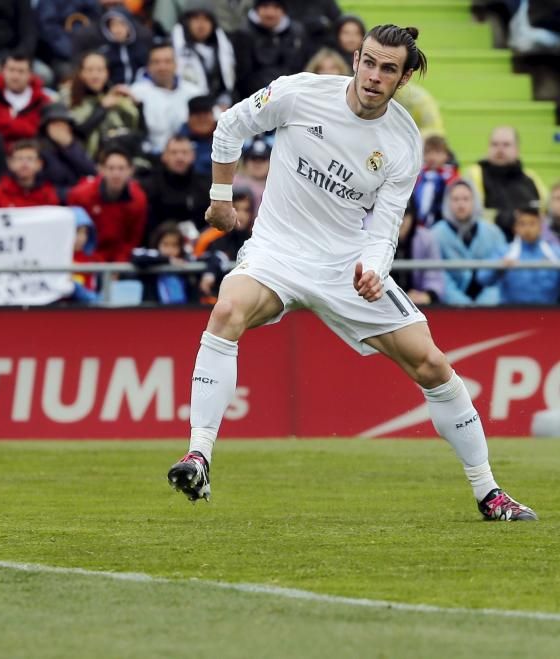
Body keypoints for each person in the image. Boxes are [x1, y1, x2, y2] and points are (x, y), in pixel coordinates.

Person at [166, 24, 537, 521]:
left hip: (346, 263)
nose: (374, 75)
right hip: (278, 251)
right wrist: (219, 199)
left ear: (403, 79)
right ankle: (198, 455)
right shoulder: (299, 93)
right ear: (355, 58)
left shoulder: (404, 142)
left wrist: (374, 268)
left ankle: (489, 493)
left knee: (432, 364)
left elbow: (384, 230)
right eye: (368, 61)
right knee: (227, 308)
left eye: (388, 68)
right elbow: (230, 125)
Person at [430, 179, 507, 306]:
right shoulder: (435, 234)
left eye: (466, 199)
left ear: (475, 201)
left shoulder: (493, 233)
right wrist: (461, 304)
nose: (461, 204)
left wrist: (484, 304)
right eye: (455, 199)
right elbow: (439, 276)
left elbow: (499, 275)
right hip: (449, 309)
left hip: (490, 308)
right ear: (447, 202)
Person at [66, 145, 146, 263]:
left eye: (121, 168)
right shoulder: (80, 195)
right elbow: (75, 234)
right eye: (111, 168)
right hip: (86, 258)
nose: (116, 174)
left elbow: (132, 239)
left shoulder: (138, 199)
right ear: (101, 170)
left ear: (131, 170)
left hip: (119, 261)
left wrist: (119, 263)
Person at [62, 51, 141, 161]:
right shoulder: (68, 96)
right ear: (81, 73)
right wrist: (102, 108)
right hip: (83, 159)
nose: (95, 75)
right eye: (89, 70)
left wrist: (136, 104)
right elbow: (79, 132)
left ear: (107, 73)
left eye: (100, 70)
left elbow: (135, 128)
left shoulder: (113, 96)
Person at [477, 202, 560, 305]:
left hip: (549, 314)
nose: (527, 229)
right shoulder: (504, 252)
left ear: (540, 226)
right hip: (512, 314)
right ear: (515, 228)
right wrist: (499, 268)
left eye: (532, 223)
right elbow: (482, 278)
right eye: (522, 224)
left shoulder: (556, 253)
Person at [130, 42, 203, 156]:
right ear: (148, 66)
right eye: (156, 62)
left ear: (176, 64)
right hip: (149, 158)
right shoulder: (135, 93)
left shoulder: (195, 93)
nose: (162, 67)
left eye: (167, 61)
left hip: (191, 158)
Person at [463, 126, 548, 222]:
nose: (500, 149)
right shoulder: (475, 174)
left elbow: (545, 211)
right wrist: (510, 218)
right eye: (494, 144)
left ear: (517, 150)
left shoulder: (531, 178)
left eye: (506, 145)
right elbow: (469, 214)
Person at [170, 0, 238, 107]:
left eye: (206, 19)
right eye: (196, 18)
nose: (201, 25)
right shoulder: (172, 47)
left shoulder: (224, 47)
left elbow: (229, 83)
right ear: (186, 21)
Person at [142, 134, 209, 238]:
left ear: (193, 156)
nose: (179, 157)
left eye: (184, 152)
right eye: (174, 152)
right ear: (164, 156)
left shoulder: (205, 186)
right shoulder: (149, 186)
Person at [0, 52, 51, 146]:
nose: (15, 76)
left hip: (30, 155)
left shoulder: (43, 101)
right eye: (11, 70)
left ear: (30, 74)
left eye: (21, 71)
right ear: (3, 71)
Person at [38, 102, 96, 204]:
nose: (60, 128)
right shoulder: (39, 149)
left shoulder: (74, 145)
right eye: (55, 124)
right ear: (46, 127)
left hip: (78, 198)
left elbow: (91, 170)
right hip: (50, 202)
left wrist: (68, 146)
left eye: (63, 124)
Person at [0, 139, 59, 207]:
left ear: (39, 164)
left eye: (30, 158)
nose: (24, 163)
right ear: (10, 163)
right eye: (19, 158)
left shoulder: (48, 193)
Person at [412, 134, 457, 227]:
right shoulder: (417, 174)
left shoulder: (451, 176)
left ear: (447, 155)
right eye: (428, 152)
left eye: (437, 152)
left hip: (442, 223)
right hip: (417, 224)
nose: (432, 157)